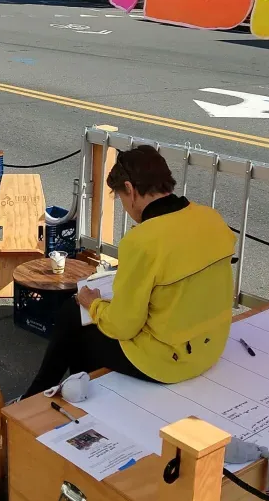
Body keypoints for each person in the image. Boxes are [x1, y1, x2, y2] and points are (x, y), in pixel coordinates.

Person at [23, 145, 237, 398]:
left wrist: (92, 304)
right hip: (210, 348)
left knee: (74, 314)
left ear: (130, 189)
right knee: (85, 327)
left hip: (169, 362)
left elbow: (122, 327)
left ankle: (34, 398)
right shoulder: (211, 218)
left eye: (121, 198)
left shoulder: (142, 241)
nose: (126, 206)